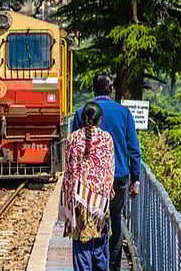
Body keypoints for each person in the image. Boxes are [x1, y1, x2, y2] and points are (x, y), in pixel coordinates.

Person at [70, 72, 142, 271]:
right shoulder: (124, 113)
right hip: (119, 178)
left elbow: (74, 149)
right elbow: (134, 149)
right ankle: (113, 266)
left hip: (88, 182)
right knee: (116, 218)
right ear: (110, 89)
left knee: (90, 221)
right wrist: (135, 179)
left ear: (94, 88)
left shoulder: (80, 112)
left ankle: (91, 264)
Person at [61, 101, 115, 271]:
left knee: (81, 250)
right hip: (100, 203)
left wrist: (67, 203)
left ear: (83, 118)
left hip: (79, 202)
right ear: (99, 119)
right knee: (100, 247)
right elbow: (109, 171)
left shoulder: (72, 139)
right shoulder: (107, 139)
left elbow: (68, 172)